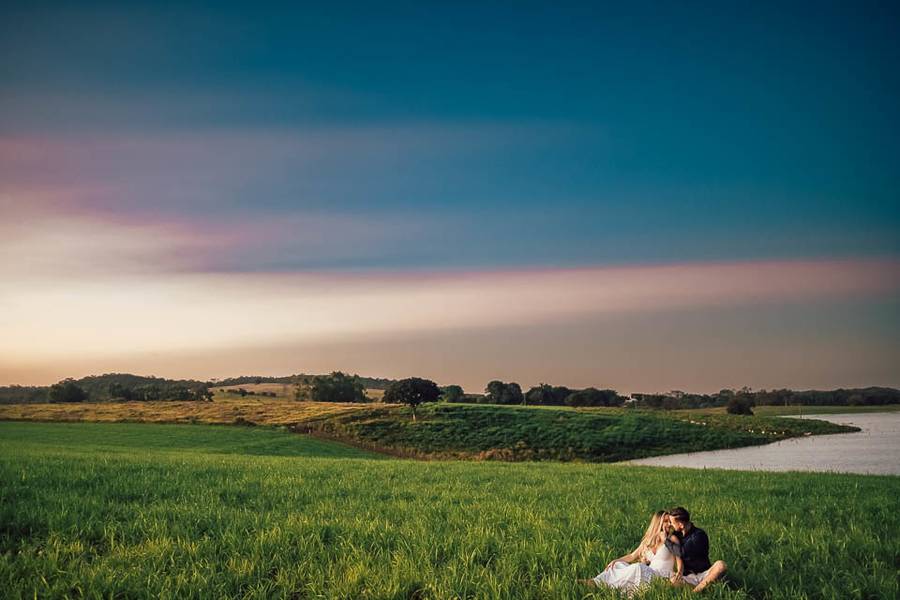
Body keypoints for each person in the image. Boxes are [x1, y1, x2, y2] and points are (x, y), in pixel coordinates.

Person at [580, 510, 684, 595]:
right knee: (618, 565)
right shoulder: (648, 541)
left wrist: (679, 574)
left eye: (670, 521)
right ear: (658, 523)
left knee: (638, 567)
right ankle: (595, 582)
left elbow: (679, 557)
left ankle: (599, 584)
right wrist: (615, 560)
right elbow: (633, 555)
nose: (669, 524)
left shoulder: (672, 539)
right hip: (648, 572)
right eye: (666, 521)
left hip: (660, 577)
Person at [667, 506, 728, 592]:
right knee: (673, 580)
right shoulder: (677, 534)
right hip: (689, 577)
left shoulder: (699, 535)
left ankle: (695, 592)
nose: (670, 525)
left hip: (704, 574)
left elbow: (682, 552)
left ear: (680, 524)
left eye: (671, 522)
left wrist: (667, 541)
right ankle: (702, 589)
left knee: (721, 565)